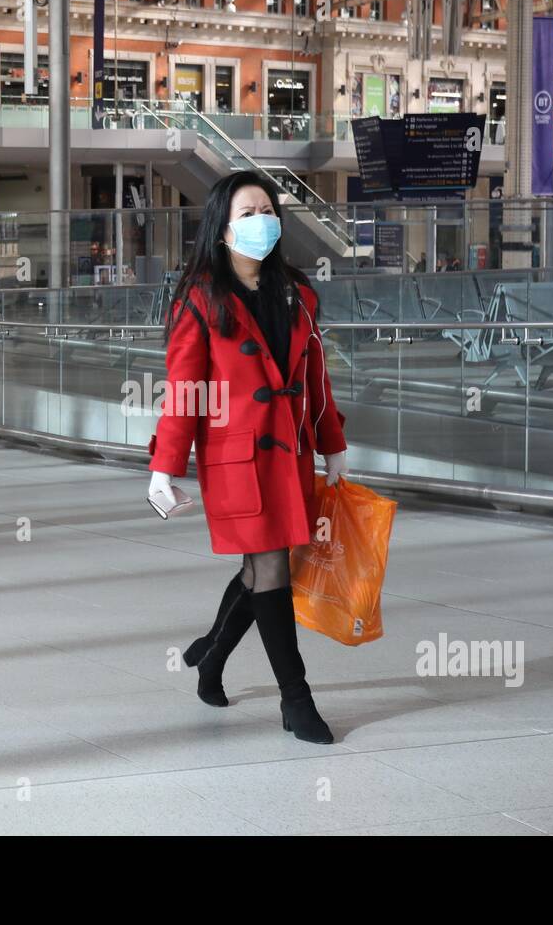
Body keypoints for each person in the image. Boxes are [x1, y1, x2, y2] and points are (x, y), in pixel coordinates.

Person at [147, 170, 349, 745]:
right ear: (222, 228)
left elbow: (317, 378)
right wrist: (164, 467)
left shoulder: (299, 293)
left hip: (291, 453)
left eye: (268, 209)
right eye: (248, 212)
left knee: (262, 567)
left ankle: (211, 657)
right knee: (272, 568)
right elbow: (185, 391)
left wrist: (333, 446)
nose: (262, 220)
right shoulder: (200, 298)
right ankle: (296, 698)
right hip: (237, 460)